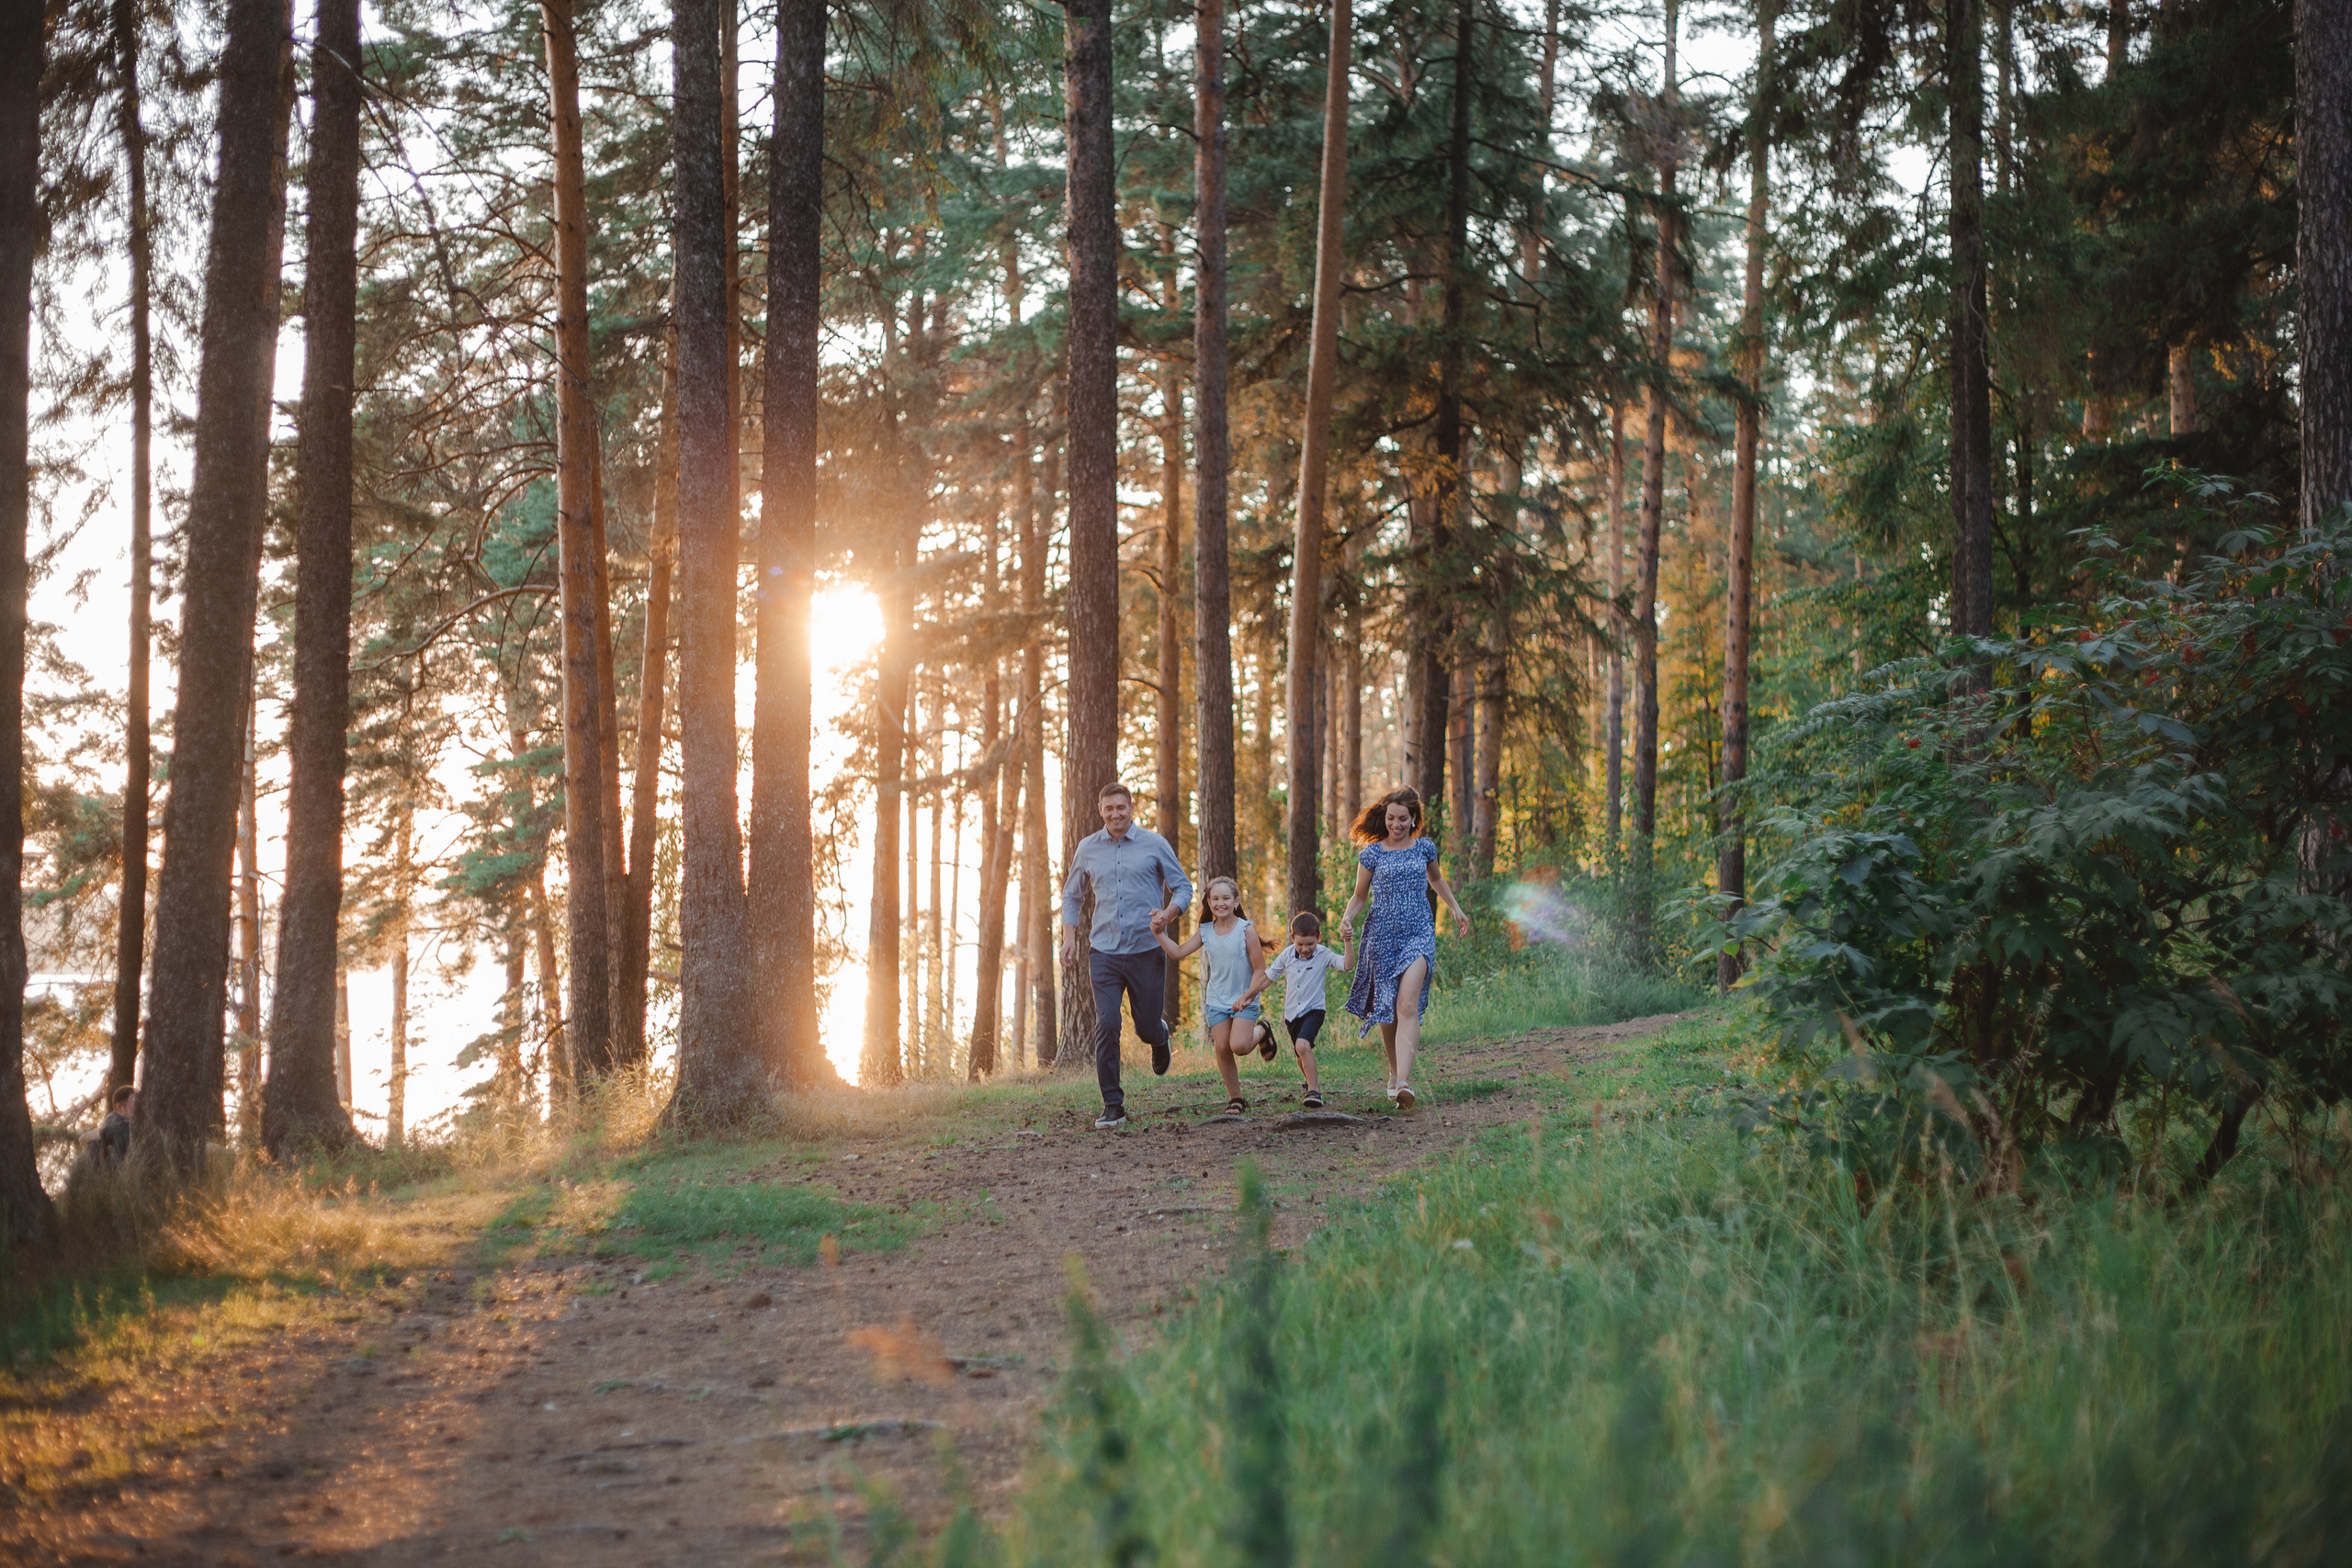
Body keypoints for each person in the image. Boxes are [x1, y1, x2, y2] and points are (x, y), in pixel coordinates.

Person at [1061, 781, 1192, 1130]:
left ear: (1131, 807)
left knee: (1145, 1026)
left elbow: (1183, 887)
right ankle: (1113, 1104)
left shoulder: (1154, 844)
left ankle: (1159, 1036)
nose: (1115, 814)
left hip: (1146, 950)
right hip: (1103, 951)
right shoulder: (1087, 848)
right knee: (1107, 1023)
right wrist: (1069, 937)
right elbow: (1072, 896)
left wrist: (1168, 914)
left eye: (1121, 808)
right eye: (1109, 809)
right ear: (1100, 811)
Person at [1339, 786, 1471, 1111]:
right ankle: (1395, 1070)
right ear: (1384, 818)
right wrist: (1346, 920)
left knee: (1407, 1005)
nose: (1396, 824)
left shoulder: (1424, 848)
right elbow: (1359, 896)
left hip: (1419, 934)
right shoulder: (1372, 854)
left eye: (1403, 819)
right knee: (1387, 1011)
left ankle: (1404, 1083)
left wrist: (1455, 908)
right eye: (1391, 818)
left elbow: (1437, 880)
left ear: (1414, 819)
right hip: (1382, 936)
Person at [1153, 875, 1269, 1116]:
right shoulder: (1205, 931)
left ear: (1236, 902)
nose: (1220, 903)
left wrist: (1248, 996)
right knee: (1222, 1049)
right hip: (1217, 1000)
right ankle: (1236, 1099)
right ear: (1208, 902)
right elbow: (1177, 952)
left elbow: (1260, 970)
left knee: (1239, 1046)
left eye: (1226, 898)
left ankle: (1263, 1031)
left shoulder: (1245, 930)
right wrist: (1159, 934)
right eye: (1215, 898)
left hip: (1245, 997)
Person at [1263, 911, 1351, 1110]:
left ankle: (1314, 1090)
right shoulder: (1287, 955)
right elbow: (1269, 977)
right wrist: (1249, 995)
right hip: (1292, 1014)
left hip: (1314, 1010)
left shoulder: (1323, 954)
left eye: (1310, 944)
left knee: (1303, 1046)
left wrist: (1347, 942)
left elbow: (1347, 965)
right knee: (1299, 1053)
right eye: (1300, 944)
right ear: (1292, 938)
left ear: (1318, 938)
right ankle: (1309, 1084)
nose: (1305, 949)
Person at [97, 1084, 136, 1164]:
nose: (138, 1108)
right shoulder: (120, 1126)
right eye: (133, 1104)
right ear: (119, 1108)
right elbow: (85, 1136)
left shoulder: (111, 1119)